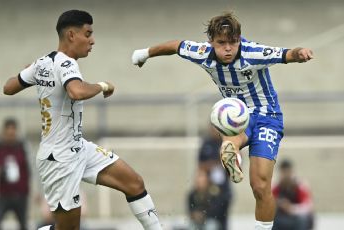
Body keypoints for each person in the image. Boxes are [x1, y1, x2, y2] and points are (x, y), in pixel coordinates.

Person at [132, 12, 313, 230]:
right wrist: (145, 53)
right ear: (211, 42)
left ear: (239, 40)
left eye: (233, 42)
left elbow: (285, 53)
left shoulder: (252, 53)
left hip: (267, 117)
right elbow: (176, 46)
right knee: (225, 120)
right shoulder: (202, 53)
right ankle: (231, 151)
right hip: (238, 116)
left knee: (259, 185)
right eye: (221, 43)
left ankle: (232, 153)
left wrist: (300, 53)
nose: (228, 48)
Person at [3, 10, 162, 230]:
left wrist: (33, 71)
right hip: (58, 159)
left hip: (78, 148)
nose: (92, 40)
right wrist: (103, 86)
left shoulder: (43, 62)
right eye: (88, 34)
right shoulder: (67, 64)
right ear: (71, 35)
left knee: (134, 183)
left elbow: (8, 87)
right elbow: (76, 91)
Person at [0, 118, 30, 230]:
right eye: (8, 133)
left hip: (21, 194)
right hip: (4, 194)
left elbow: (29, 169)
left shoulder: (22, 147)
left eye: (13, 133)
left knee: (23, 224)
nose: (11, 136)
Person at [198, 125, 232, 230]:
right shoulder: (206, 144)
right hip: (208, 187)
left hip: (224, 188)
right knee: (210, 217)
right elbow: (200, 165)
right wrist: (214, 165)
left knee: (223, 217)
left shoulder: (225, 143)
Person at [272, 159, 314, 230]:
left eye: (288, 172)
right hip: (282, 218)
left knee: (303, 219)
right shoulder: (276, 187)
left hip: (298, 219)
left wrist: (290, 208)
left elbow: (308, 206)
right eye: (283, 172)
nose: (286, 175)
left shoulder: (300, 185)